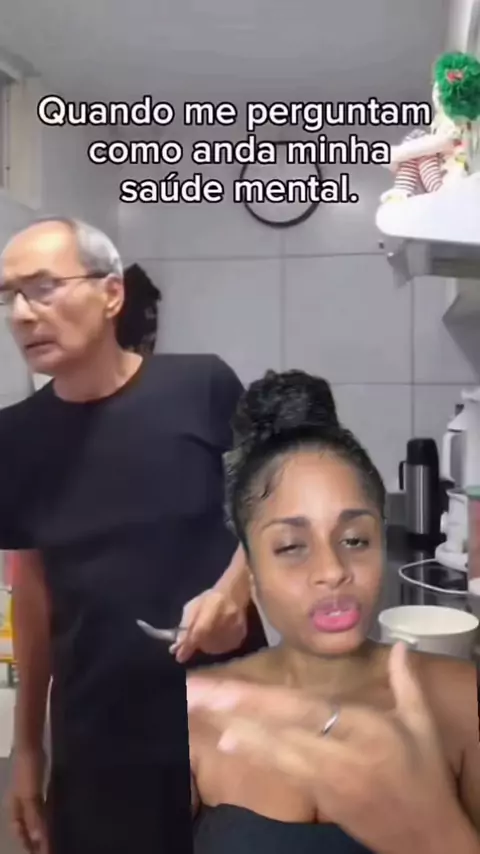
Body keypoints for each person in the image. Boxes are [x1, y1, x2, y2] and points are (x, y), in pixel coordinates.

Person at [0, 217, 266, 854]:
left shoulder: (202, 386)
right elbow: (32, 595)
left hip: (233, 714)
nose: (22, 314)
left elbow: (273, 505)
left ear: (111, 293)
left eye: (43, 287)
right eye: (9, 296)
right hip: (97, 741)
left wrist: (235, 590)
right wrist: (28, 747)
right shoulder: (14, 437)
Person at [185, 370, 480, 854]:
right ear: (249, 573)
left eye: (355, 540)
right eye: (291, 547)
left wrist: (435, 828)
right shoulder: (195, 719)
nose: (332, 571)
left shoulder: (463, 701)